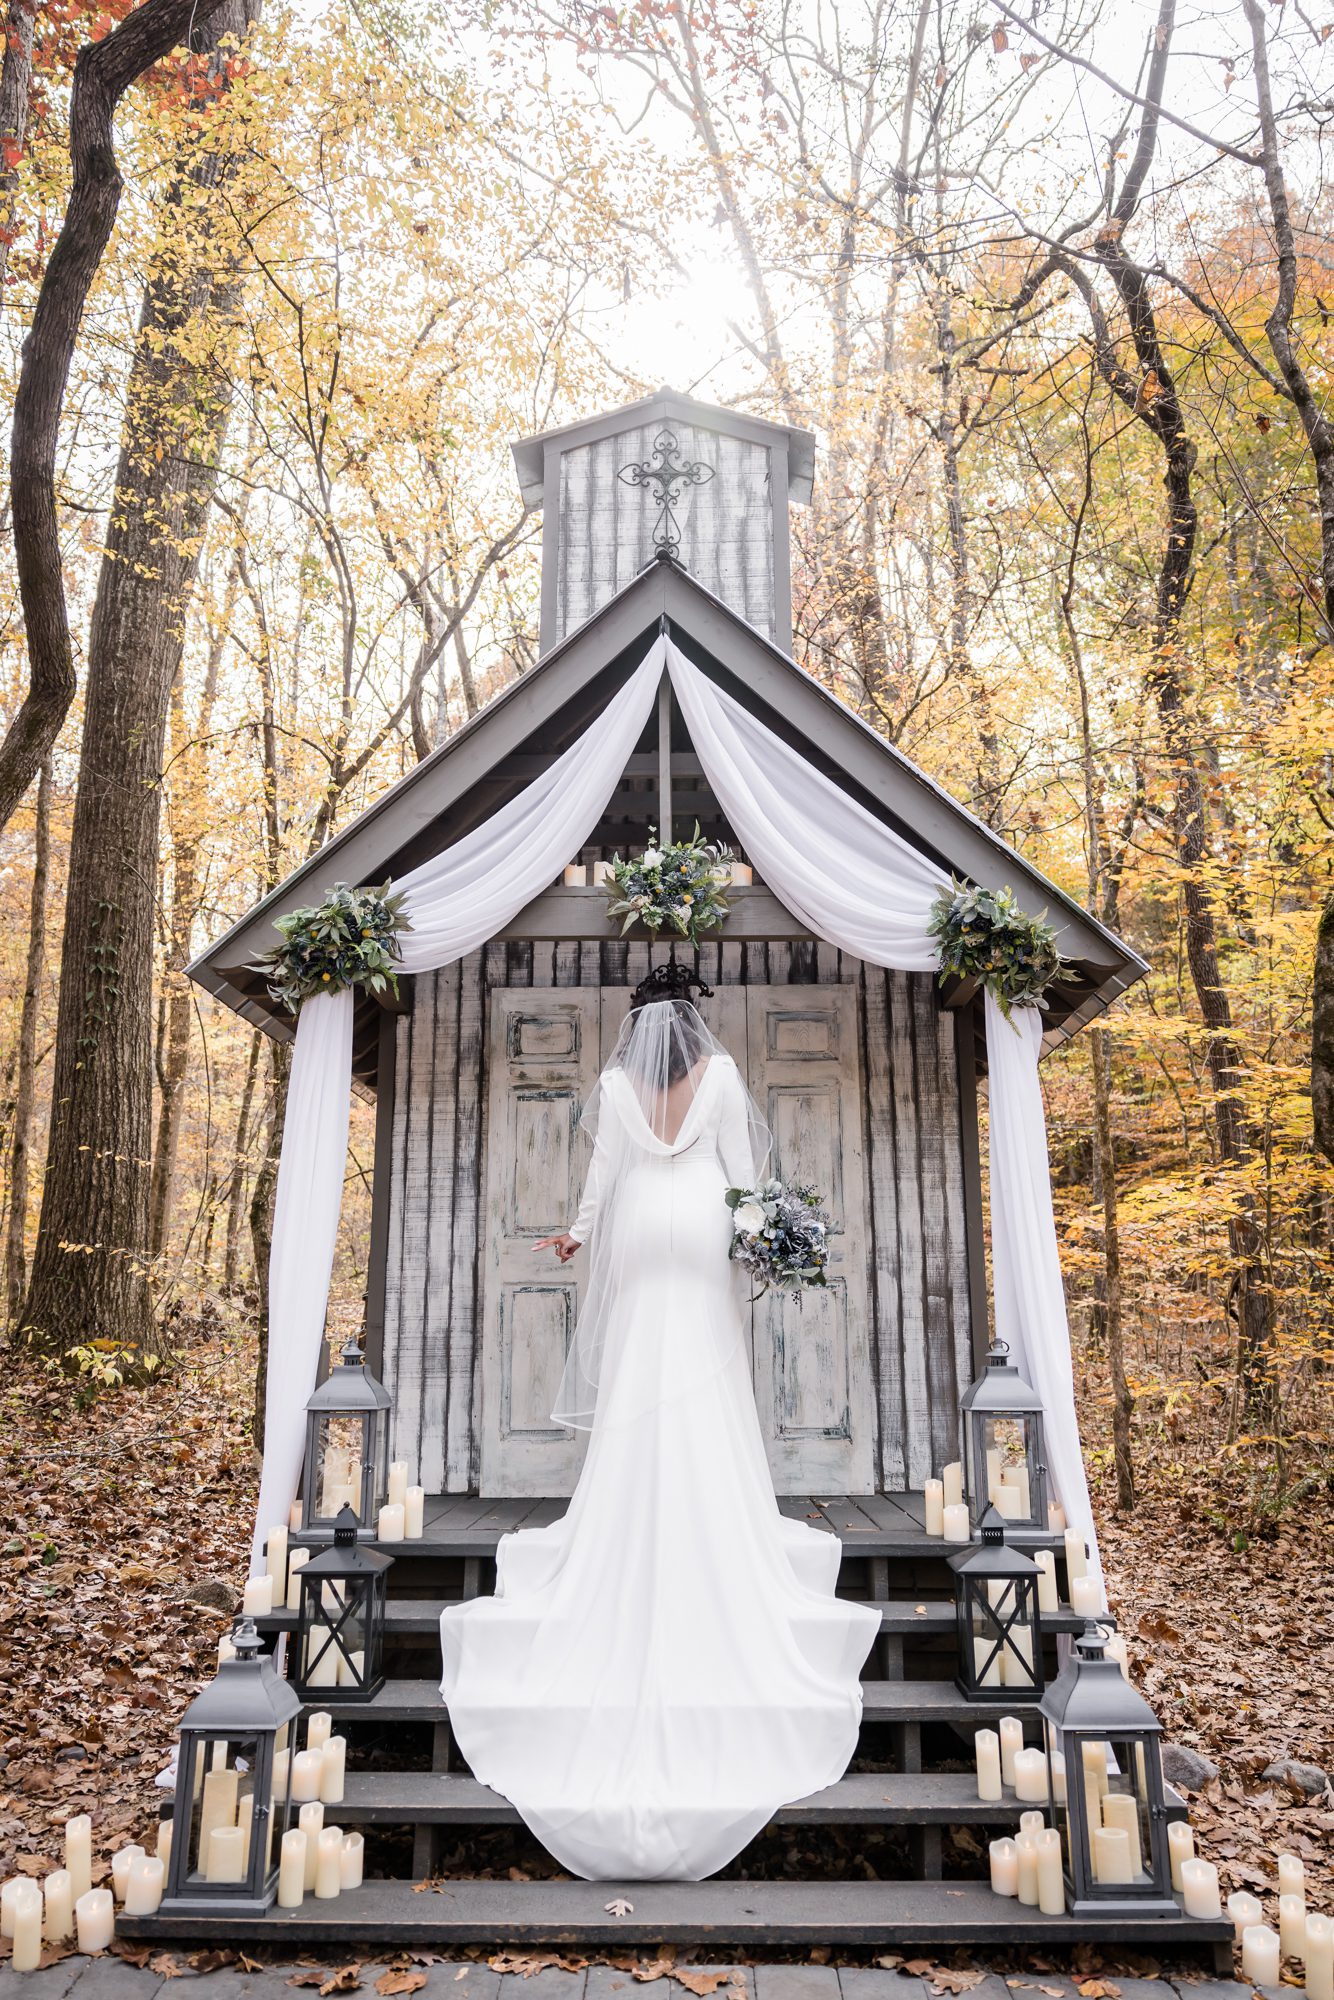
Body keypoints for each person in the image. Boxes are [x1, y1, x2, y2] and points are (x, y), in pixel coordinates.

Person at [439, 964, 878, 1881]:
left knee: (643, 1366)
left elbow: (602, 1175)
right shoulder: (718, 1079)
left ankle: (633, 1500)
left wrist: (578, 1234)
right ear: (696, 1032)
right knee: (707, 1370)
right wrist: (765, 1230)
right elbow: (748, 1176)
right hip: (700, 1224)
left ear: (639, 1031)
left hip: (640, 1228)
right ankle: (711, 1504)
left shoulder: (611, 1086)